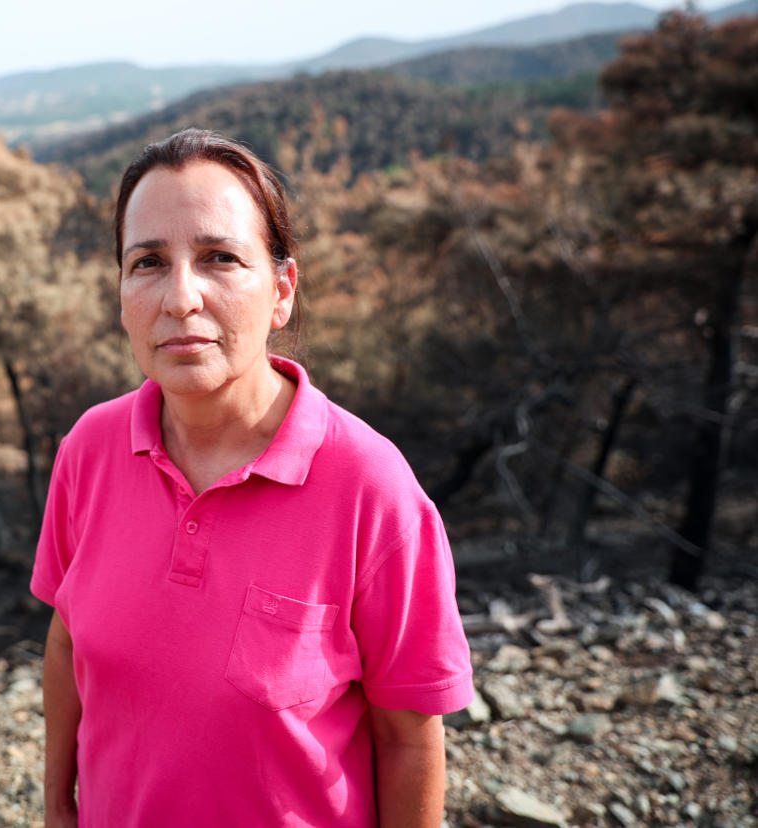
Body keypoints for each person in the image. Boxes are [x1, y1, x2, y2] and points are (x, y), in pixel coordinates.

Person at [31, 128, 473, 827]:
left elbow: (408, 737)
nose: (181, 297)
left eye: (219, 258)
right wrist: (58, 808)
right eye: (148, 262)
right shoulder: (89, 450)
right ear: (121, 293)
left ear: (281, 290)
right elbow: (65, 640)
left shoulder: (371, 487)